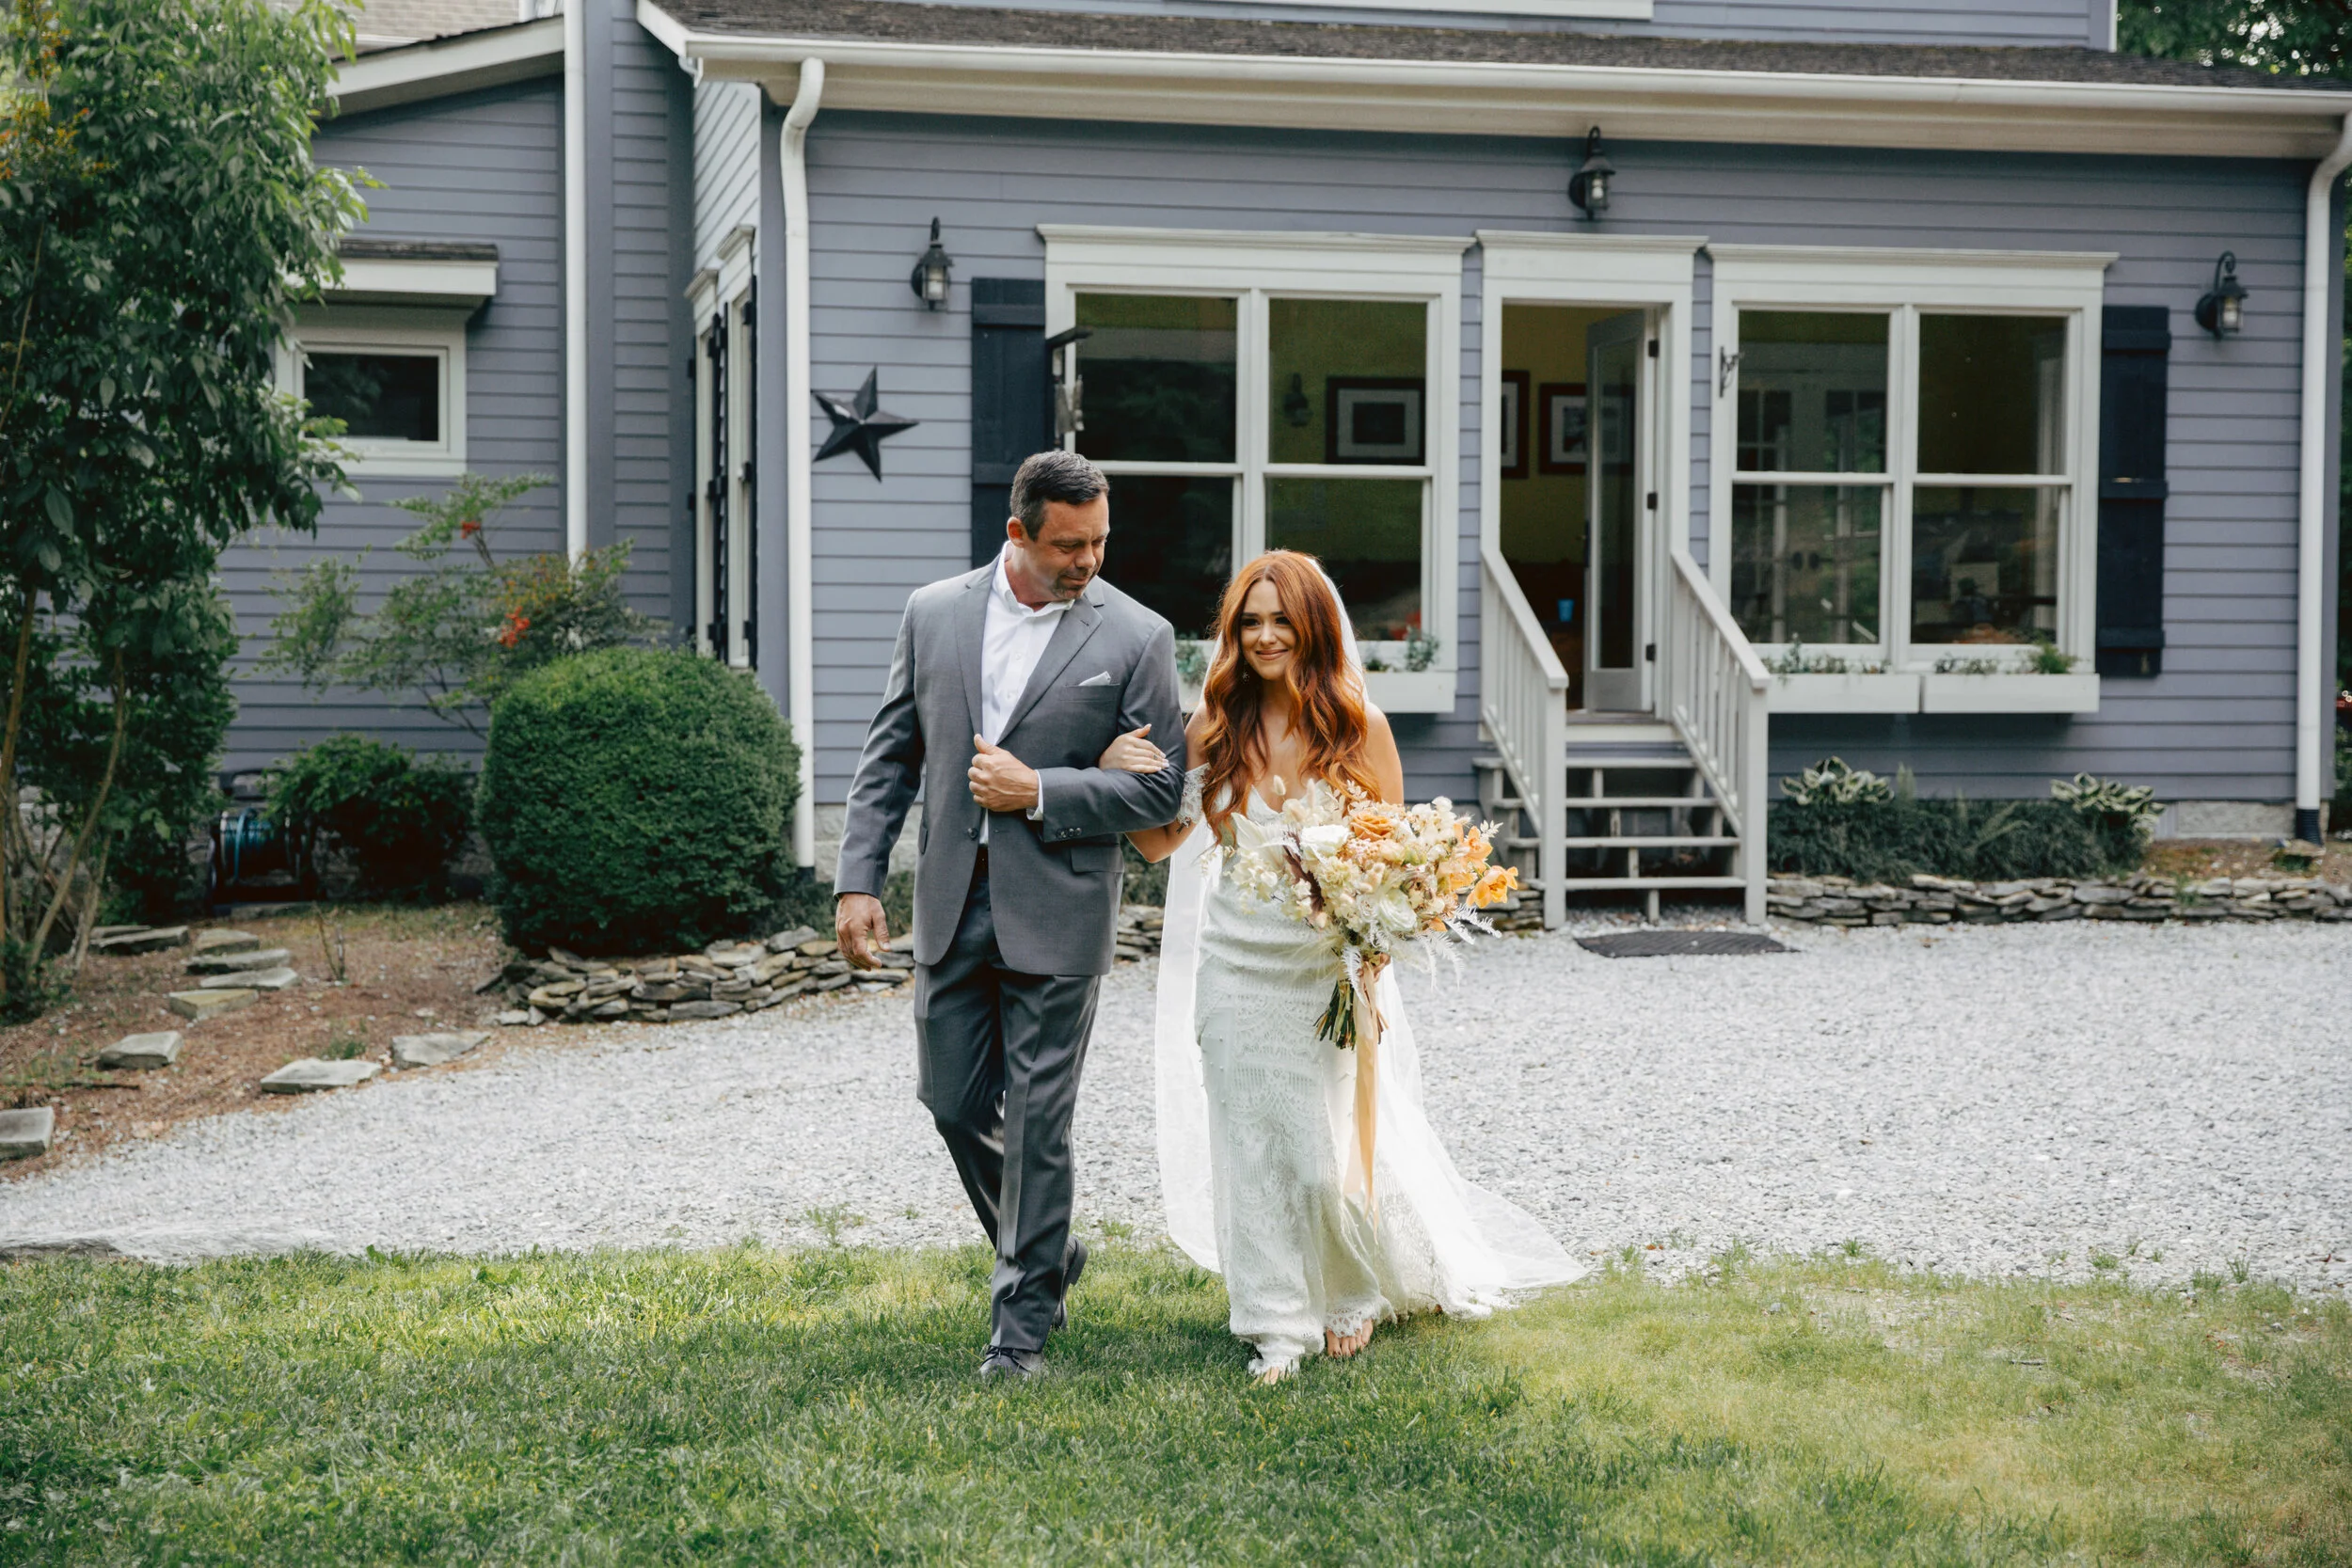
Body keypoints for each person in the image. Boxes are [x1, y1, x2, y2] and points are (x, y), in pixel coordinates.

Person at [1102, 551, 1583, 1384]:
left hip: (1323, 970)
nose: (1262, 635)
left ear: (1313, 628)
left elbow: (1400, 859)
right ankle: (1273, 1321)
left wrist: (1374, 952)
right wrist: (1118, 776)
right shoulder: (1214, 726)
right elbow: (1158, 842)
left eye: (1280, 619)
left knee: (1320, 1149)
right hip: (1233, 966)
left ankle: (1351, 1287)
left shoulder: (1362, 729)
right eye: (1249, 621)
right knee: (1247, 1143)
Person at [834, 449, 1185, 1380]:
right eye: (1068, 544)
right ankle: (1044, 1248)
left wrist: (1042, 789)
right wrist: (857, 879)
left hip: (1060, 907)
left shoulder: (1137, 637)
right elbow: (889, 759)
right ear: (1017, 532)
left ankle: (1019, 1328)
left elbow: (1163, 794)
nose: (1088, 562)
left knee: (1038, 1122)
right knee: (950, 1101)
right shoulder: (934, 612)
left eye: (1100, 541)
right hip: (951, 902)